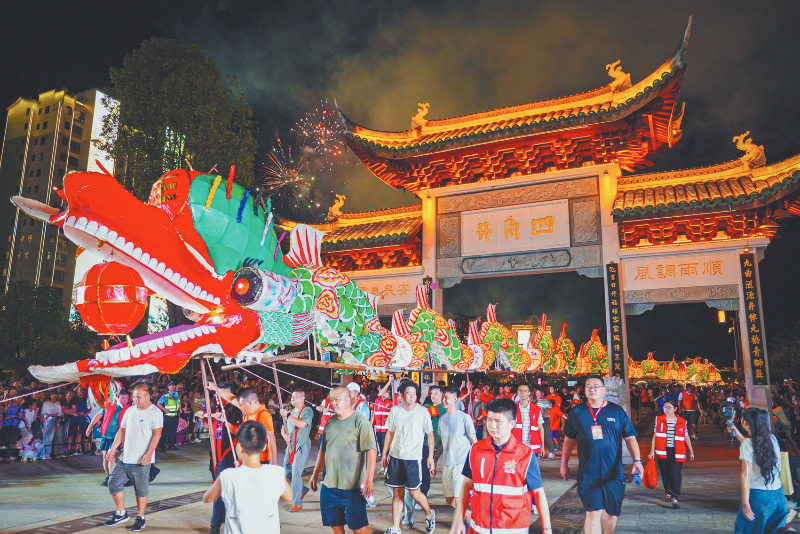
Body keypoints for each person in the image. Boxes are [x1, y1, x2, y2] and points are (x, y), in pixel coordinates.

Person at [450, 397, 552, 534]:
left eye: (498, 421)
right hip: (479, 529)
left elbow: (538, 493)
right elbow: (466, 485)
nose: (492, 426)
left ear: (512, 423)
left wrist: (547, 528)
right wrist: (458, 518)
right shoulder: (476, 450)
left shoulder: (526, 455)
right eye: (489, 420)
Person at [560, 375, 644, 534]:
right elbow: (569, 440)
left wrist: (637, 460)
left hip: (613, 473)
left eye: (596, 386)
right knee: (592, 512)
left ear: (603, 390)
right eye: (588, 387)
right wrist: (563, 464)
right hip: (588, 473)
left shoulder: (616, 411)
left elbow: (630, 437)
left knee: (611, 513)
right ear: (584, 390)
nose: (592, 389)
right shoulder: (577, 412)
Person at [203, 421, 292, 534]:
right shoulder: (277, 473)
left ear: (239, 448)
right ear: (264, 447)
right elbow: (288, 497)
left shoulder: (228, 476)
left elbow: (208, 498)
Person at [310, 386, 377, 534]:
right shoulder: (330, 423)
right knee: (336, 527)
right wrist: (315, 474)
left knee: (357, 528)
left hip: (352, 487)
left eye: (337, 399)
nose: (333, 403)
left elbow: (371, 451)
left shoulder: (361, 422)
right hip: (330, 485)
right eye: (331, 399)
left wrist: (369, 479)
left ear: (348, 400)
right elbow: (323, 451)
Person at [104, 384, 164, 532]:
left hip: (141, 460)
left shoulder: (155, 412)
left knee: (141, 490)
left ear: (147, 396)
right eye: (134, 396)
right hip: (125, 457)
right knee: (113, 483)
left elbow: (157, 434)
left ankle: (140, 517)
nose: (135, 399)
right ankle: (121, 513)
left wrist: (149, 454)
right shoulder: (130, 410)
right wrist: (113, 449)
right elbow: (122, 430)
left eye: (138, 397)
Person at [382, 379, 436, 534]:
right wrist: (385, 453)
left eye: (414, 394)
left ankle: (429, 514)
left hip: (413, 459)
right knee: (397, 493)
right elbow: (390, 432)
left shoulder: (422, 412)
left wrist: (430, 456)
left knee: (414, 493)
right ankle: (396, 527)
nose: (412, 396)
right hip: (396, 457)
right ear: (401, 395)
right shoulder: (395, 411)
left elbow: (430, 434)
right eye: (409, 393)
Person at [729, 407, 789, 533]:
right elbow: (753, 446)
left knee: (744, 530)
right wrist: (737, 433)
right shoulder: (771, 438)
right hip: (778, 497)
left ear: (746, 422)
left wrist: (745, 503)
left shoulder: (748, 444)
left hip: (759, 497)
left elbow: (745, 474)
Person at [210, 385, 277, 465]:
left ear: (249, 403)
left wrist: (274, 462)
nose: (241, 407)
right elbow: (232, 399)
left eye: (242, 405)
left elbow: (271, 438)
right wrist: (214, 388)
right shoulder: (248, 412)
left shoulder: (263, 414)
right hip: (248, 456)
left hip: (260, 458)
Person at [208, 381, 243, 534]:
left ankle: (214, 526)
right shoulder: (216, 408)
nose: (217, 396)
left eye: (220, 393)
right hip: (215, 454)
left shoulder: (236, 410)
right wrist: (204, 417)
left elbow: (239, 431)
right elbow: (210, 428)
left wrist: (225, 422)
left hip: (230, 455)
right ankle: (224, 515)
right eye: (216, 394)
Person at [647, 398, 694, 509]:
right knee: (665, 473)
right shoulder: (659, 419)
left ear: (675, 409)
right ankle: (668, 491)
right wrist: (652, 451)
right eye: (665, 407)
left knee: (675, 474)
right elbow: (655, 435)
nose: (667, 409)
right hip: (662, 451)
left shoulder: (682, 421)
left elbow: (686, 436)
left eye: (669, 407)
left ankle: (675, 498)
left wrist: (691, 451)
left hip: (678, 451)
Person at [438, 386, 476, 508]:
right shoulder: (442, 419)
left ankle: (465, 519)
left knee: (459, 498)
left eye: (446, 397)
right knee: (449, 499)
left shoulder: (464, 418)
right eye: (443, 397)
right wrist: (434, 459)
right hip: (447, 462)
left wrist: (476, 461)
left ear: (455, 399)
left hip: (461, 463)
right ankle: (470, 516)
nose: (443, 400)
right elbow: (441, 441)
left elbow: (473, 440)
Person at [280, 388, 314, 511]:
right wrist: (284, 435)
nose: (292, 398)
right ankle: (302, 489)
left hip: (302, 446)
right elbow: (283, 428)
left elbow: (301, 424)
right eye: (292, 396)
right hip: (290, 447)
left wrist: (288, 415)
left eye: (296, 396)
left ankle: (297, 502)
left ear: (303, 398)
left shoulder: (307, 410)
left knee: (296, 473)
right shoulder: (289, 411)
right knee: (286, 471)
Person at [88, 390, 131, 487]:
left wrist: (124, 438)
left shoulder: (128, 409)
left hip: (117, 437)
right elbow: (99, 415)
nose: (125, 400)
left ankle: (112, 478)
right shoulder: (109, 405)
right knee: (105, 457)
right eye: (122, 398)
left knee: (111, 456)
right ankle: (109, 476)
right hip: (106, 435)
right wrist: (90, 426)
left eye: (127, 398)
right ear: (117, 397)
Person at [512, 383, 547, 456]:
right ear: (518, 392)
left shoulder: (536, 409)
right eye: (520, 391)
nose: (522, 393)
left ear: (529, 393)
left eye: (525, 391)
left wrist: (542, 447)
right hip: (517, 448)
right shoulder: (512, 409)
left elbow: (541, 428)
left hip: (533, 448)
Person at [372, 378, 394, 469]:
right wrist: (371, 425)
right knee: (381, 447)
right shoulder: (377, 401)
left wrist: (389, 382)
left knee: (387, 448)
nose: (380, 391)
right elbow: (374, 414)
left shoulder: (392, 402)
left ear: (388, 390)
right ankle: (384, 465)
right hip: (378, 429)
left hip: (387, 430)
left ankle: (389, 466)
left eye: (382, 389)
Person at [157, 381, 181, 452]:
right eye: (170, 385)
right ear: (168, 387)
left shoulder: (177, 394)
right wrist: (164, 409)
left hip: (175, 415)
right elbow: (158, 403)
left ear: (175, 386)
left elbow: (179, 402)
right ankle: (163, 447)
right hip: (168, 416)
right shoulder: (165, 395)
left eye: (173, 385)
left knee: (173, 431)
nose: (172, 386)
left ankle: (171, 445)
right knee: (165, 432)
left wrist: (180, 408)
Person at [535, 387, 556, 459]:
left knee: (547, 436)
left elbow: (547, 413)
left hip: (545, 421)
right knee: (537, 437)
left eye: (538, 393)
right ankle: (539, 453)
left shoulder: (546, 402)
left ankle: (551, 452)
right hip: (537, 422)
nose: (537, 394)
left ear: (542, 394)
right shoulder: (535, 401)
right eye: (536, 393)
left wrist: (538, 416)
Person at [40, 392, 62, 459]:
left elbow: (60, 413)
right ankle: (42, 454)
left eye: (55, 394)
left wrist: (57, 415)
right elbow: (43, 413)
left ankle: (48, 454)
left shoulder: (58, 403)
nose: (54, 395)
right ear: (50, 395)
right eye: (53, 394)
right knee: (44, 437)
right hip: (47, 421)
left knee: (50, 438)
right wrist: (52, 415)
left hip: (54, 421)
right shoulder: (46, 403)